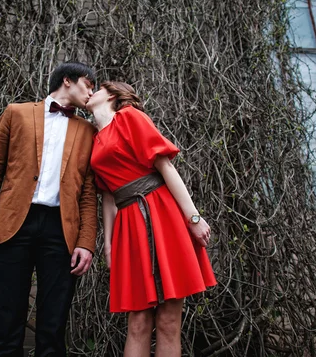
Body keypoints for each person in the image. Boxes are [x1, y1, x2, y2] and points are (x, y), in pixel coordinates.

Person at [85, 81, 217, 357]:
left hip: (160, 214)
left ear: (112, 95)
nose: (89, 92)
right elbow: (108, 197)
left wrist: (193, 218)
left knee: (169, 321)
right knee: (138, 321)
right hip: (128, 226)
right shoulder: (94, 139)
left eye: (95, 88)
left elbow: (165, 166)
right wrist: (108, 244)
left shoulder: (129, 117)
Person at [0, 62, 98, 357]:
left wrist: (86, 242)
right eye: (88, 85)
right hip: (13, 224)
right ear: (67, 81)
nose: (91, 93)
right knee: (7, 320)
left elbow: (88, 193)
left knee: (54, 325)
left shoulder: (87, 131)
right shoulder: (16, 112)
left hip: (61, 230)